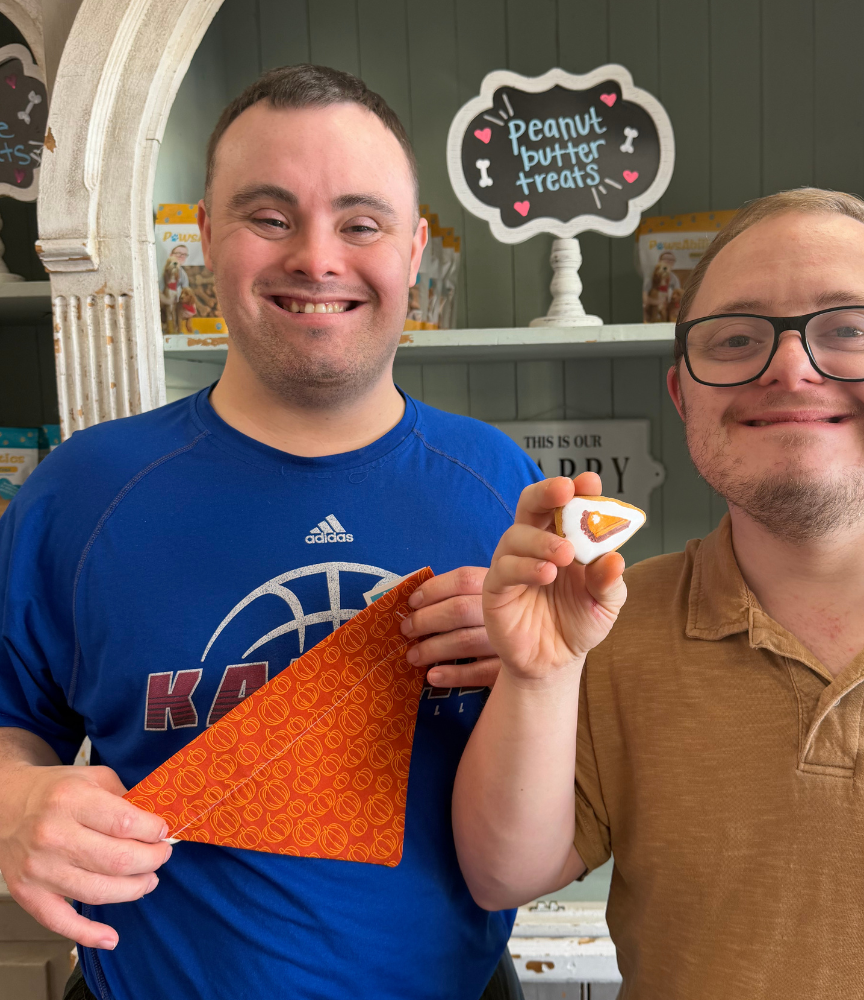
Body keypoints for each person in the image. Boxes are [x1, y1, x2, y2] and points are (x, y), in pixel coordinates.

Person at [0, 65, 539, 1000]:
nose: (318, 259)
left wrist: (540, 676)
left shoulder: (504, 494)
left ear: (413, 251)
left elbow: (590, 759)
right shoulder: (78, 492)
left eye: (360, 223)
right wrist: (9, 804)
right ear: (206, 237)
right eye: (270, 217)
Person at [452, 188, 864, 998]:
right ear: (683, 396)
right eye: (737, 338)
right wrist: (539, 672)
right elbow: (504, 875)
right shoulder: (612, 624)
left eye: (850, 329)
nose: (790, 366)